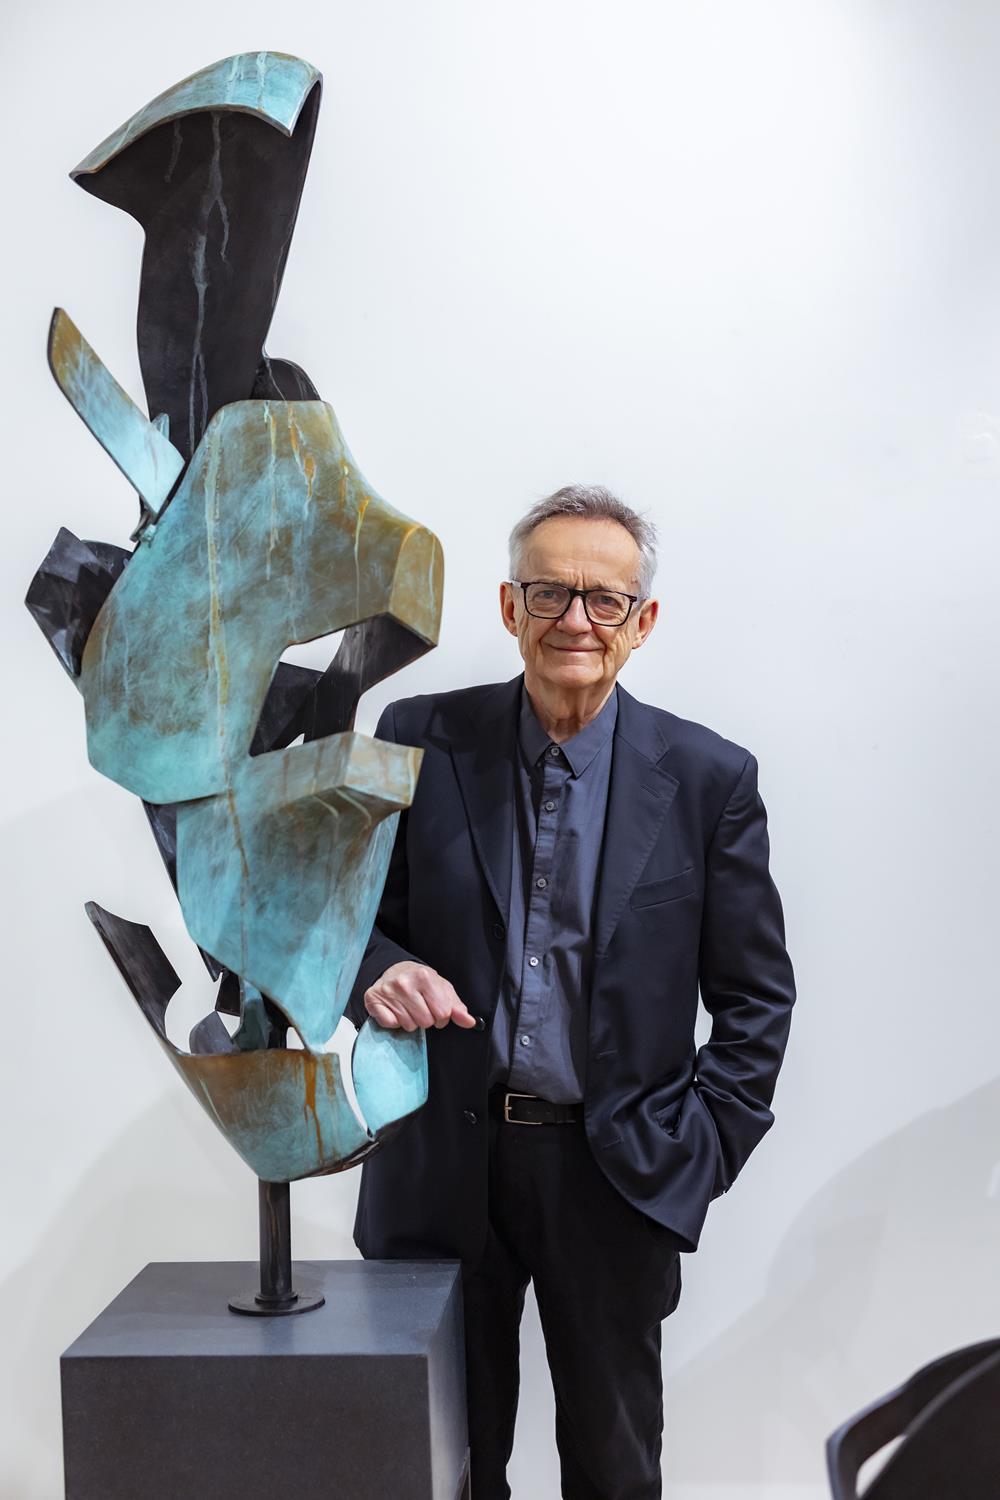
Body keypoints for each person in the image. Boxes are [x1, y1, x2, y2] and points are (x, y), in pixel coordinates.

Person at [344, 484, 796, 1500]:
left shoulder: (708, 778)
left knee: (612, 1469)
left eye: (604, 599)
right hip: (439, 1164)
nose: (575, 621)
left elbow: (756, 999)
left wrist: (695, 1155)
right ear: (511, 607)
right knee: (440, 1466)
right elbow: (344, 922)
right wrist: (379, 972)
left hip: (613, 1175)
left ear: (643, 621)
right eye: (549, 593)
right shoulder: (418, 738)